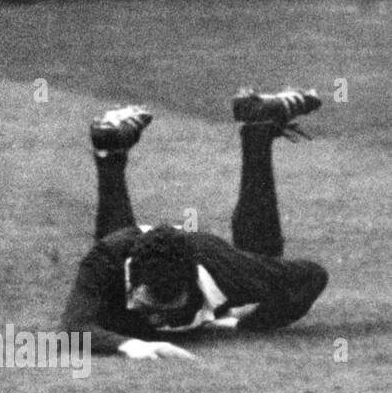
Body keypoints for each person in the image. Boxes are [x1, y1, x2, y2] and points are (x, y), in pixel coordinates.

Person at [62, 91, 329, 360]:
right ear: (132, 280)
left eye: (168, 305)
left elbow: (312, 277)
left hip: (209, 256)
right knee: (113, 254)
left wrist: (244, 325)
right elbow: (73, 330)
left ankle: (258, 127)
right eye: (146, 303)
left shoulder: (229, 271)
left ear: (194, 283)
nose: (156, 320)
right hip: (122, 250)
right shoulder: (106, 260)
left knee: (264, 261)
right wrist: (135, 346)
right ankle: (110, 149)